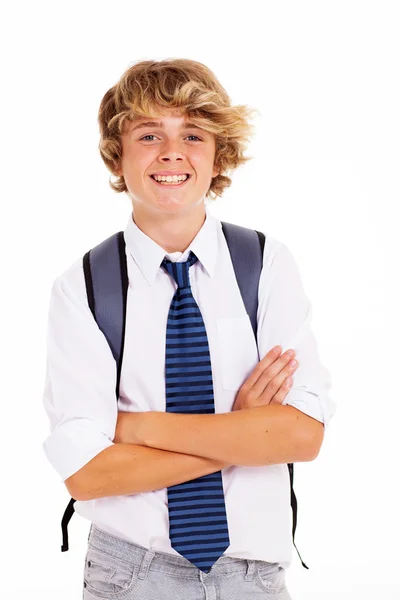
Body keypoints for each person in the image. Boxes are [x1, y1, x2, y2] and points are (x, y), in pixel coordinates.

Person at [42, 58, 336, 599]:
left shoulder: (265, 263)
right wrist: (244, 432)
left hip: (253, 576)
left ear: (219, 154)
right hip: (130, 574)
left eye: (193, 135)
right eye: (148, 134)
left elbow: (301, 434)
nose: (171, 152)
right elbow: (87, 474)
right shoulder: (83, 286)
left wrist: (137, 427)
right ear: (118, 154)